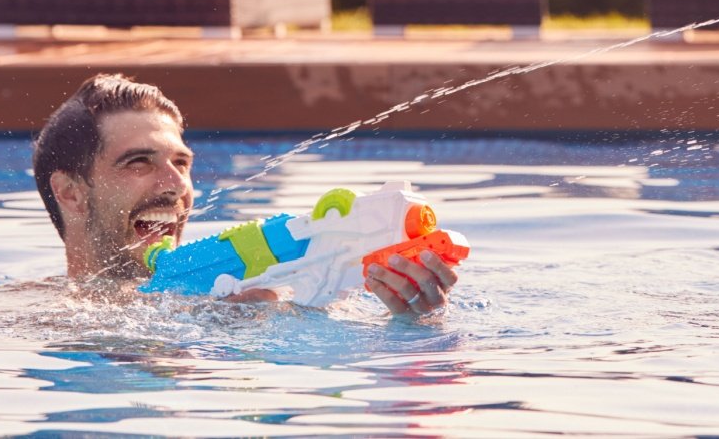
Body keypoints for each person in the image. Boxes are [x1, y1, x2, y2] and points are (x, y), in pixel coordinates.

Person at [33, 73, 458, 317]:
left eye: (181, 163)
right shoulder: (44, 319)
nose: (176, 185)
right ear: (71, 193)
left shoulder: (265, 288)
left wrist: (413, 322)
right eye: (138, 163)